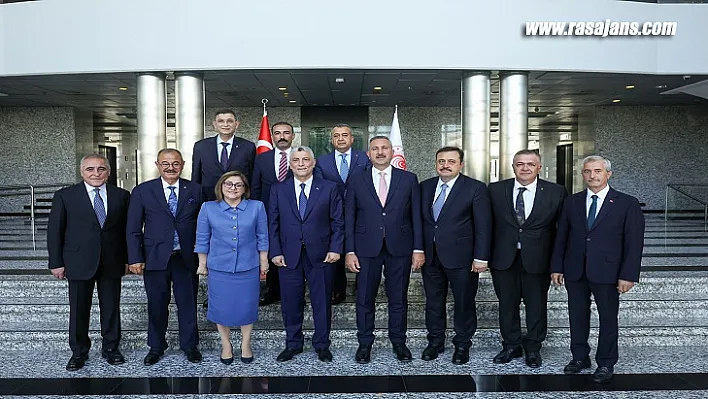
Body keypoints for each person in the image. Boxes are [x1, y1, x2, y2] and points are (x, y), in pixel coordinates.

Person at [550, 155, 645, 384]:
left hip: (609, 272)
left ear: (608, 174)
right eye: (587, 171)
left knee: (608, 318)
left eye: (598, 171)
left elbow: (634, 242)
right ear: (582, 174)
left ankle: (606, 362)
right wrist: (557, 266)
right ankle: (580, 357)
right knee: (577, 316)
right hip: (575, 270)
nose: (592, 176)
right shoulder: (571, 202)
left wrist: (628, 274)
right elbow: (561, 235)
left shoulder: (626, 203)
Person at [47, 153, 131, 371]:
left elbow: (127, 231)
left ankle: (111, 349)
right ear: (81, 171)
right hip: (77, 261)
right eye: (90, 169)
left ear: (109, 172)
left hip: (111, 261)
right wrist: (56, 262)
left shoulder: (121, 195)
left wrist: (129, 259)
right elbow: (55, 231)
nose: (96, 173)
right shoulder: (65, 196)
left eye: (101, 169)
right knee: (78, 310)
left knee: (111, 309)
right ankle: (78, 352)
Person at [345, 135, 424, 364]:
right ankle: (364, 344)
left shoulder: (408, 179)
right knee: (364, 299)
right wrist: (349, 250)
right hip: (365, 248)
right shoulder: (356, 179)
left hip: (399, 247)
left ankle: (399, 342)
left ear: (392, 152)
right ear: (368, 154)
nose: (380, 152)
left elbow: (416, 217)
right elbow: (349, 216)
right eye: (375, 149)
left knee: (398, 298)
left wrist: (418, 248)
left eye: (384, 148)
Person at [488, 149, 567, 368]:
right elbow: (486, 226)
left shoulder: (556, 192)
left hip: (539, 260)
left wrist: (558, 264)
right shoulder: (495, 190)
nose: (525, 168)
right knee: (507, 305)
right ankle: (511, 346)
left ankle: (533, 348)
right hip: (504, 259)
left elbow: (562, 231)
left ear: (539, 167)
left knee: (536, 306)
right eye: (519, 164)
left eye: (530, 164)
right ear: (513, 167)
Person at [126, 148, 204, 365]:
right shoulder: (143, 191)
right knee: (157, 304)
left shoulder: (195, 189)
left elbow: (204, 224)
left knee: (188, 304)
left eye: (175, 163)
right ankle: (156, 347)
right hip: (155, 258)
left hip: (186, 257)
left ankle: (190, 346)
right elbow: (133, 228)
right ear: (157, 164)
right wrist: (134, 257)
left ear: (183, 164)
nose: (171, 167)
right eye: (165, 163)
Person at [269, 146, 344, 362]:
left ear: (313, 163)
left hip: (322, 255)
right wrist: (275, 251)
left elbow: (338, 221)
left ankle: (322, 344)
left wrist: (335, 248)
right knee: (291, 302)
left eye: (305, 160)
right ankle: (293, 343)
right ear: (290, 165)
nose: (301, 164)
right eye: (296, 160)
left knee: (322, 301)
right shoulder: (278, 189)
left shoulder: (329, 188)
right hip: (288, 255)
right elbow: (272, 223)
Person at [419, 146, 492, 365]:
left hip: (463, 258)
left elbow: (483, 226)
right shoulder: (425, 187)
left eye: (451, 161)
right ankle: (435, 342)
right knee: (433, 302)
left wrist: (481, 257)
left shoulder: (475, 188)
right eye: (441, 161)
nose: (445, 165)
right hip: (431, 257)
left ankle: (462, 345)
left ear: (461, 164)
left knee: (463, 302)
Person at [195, 171, 269, 364]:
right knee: (221, 309)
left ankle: (246, 344)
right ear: (221, 186)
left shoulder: (257, 207)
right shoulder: (208, 208)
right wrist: (202, 264)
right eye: (228, 184)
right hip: (219, 268)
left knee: (247, 308)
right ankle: (226, 345)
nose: (233, 188)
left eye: (238, 184)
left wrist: (264, 261)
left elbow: (263, 236)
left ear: (245, 188)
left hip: (248, 267)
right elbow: (202, 238)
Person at [314, 124, 371, 305]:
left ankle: (362, 290)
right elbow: (321, 188)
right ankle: (338, 291)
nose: (340, 138)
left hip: (361, 213)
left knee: (360, 250)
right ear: (331, 140)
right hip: (333, 214)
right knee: (335, 251)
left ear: (352, 139)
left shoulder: (364, 158)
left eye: (344, 135)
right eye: (336, 135)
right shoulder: (322, 161)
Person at [251, 121, 295, 305]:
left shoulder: (301, 157)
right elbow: (255, 186)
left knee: (292, 252)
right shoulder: (262, 158)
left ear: (293, 136)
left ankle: (293, 292)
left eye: (286, 133)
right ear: (273, 136)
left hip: (297, 215)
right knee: (272, 251)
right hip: (269, 214)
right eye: (277, 133)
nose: (282, 136)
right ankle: (273, 291)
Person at [191, 109, 256, 201]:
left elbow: (252, 175)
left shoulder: (248, 147)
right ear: (215, 124)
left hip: (238, 199)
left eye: (229, 121)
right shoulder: (201, 146)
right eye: (221, 121)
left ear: (236, 124)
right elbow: (196, 176)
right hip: (208, 198)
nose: (225, 124)